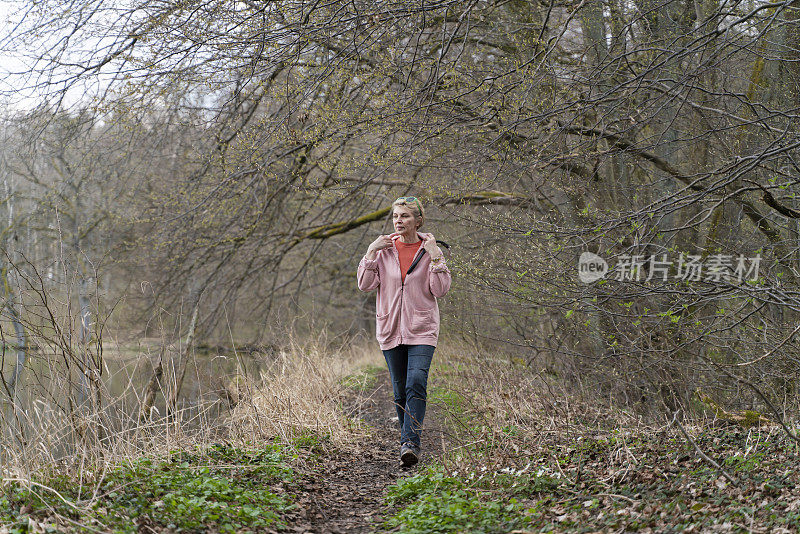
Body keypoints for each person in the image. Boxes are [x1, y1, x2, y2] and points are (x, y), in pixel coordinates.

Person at [356, 196, 452, 467]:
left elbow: (440, 290)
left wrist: (435, 257)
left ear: (418, 221)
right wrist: (371, 252)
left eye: (405, 216)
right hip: (390, 329)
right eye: (396, 216)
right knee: (399, 392)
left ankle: (410, 443)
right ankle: (407, 439)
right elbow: (365, 284)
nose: (399, 221)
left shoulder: (430, 249)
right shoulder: (384, 249)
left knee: (416, 383)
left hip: (422, 329)